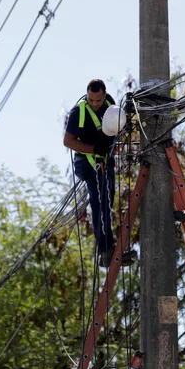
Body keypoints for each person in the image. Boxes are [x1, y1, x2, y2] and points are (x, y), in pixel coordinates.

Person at [63, 79, 136, 267]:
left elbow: (118, 127)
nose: (95, 104)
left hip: (104, 158)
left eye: (98, 100)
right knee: (101, 202)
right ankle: (106, 250)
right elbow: (68, 141)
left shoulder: (110, 106)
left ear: (104, 96)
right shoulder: (78, 112)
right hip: (86, 161)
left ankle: (107, 246)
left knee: (108, 199)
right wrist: (93, 149)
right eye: (91, 100)